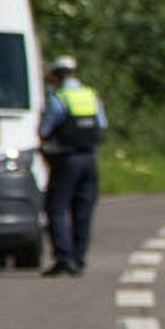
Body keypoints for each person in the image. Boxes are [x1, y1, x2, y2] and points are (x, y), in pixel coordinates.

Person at [39, 54, 106, 276]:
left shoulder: (60, 99)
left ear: (57, 76)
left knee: (57, 208)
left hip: (66, 159)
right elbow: (102, 126)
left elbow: (44, 131)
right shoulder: (91, 95)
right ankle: (79, 258)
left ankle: (63, 258)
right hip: (89, 158)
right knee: (83, 210)